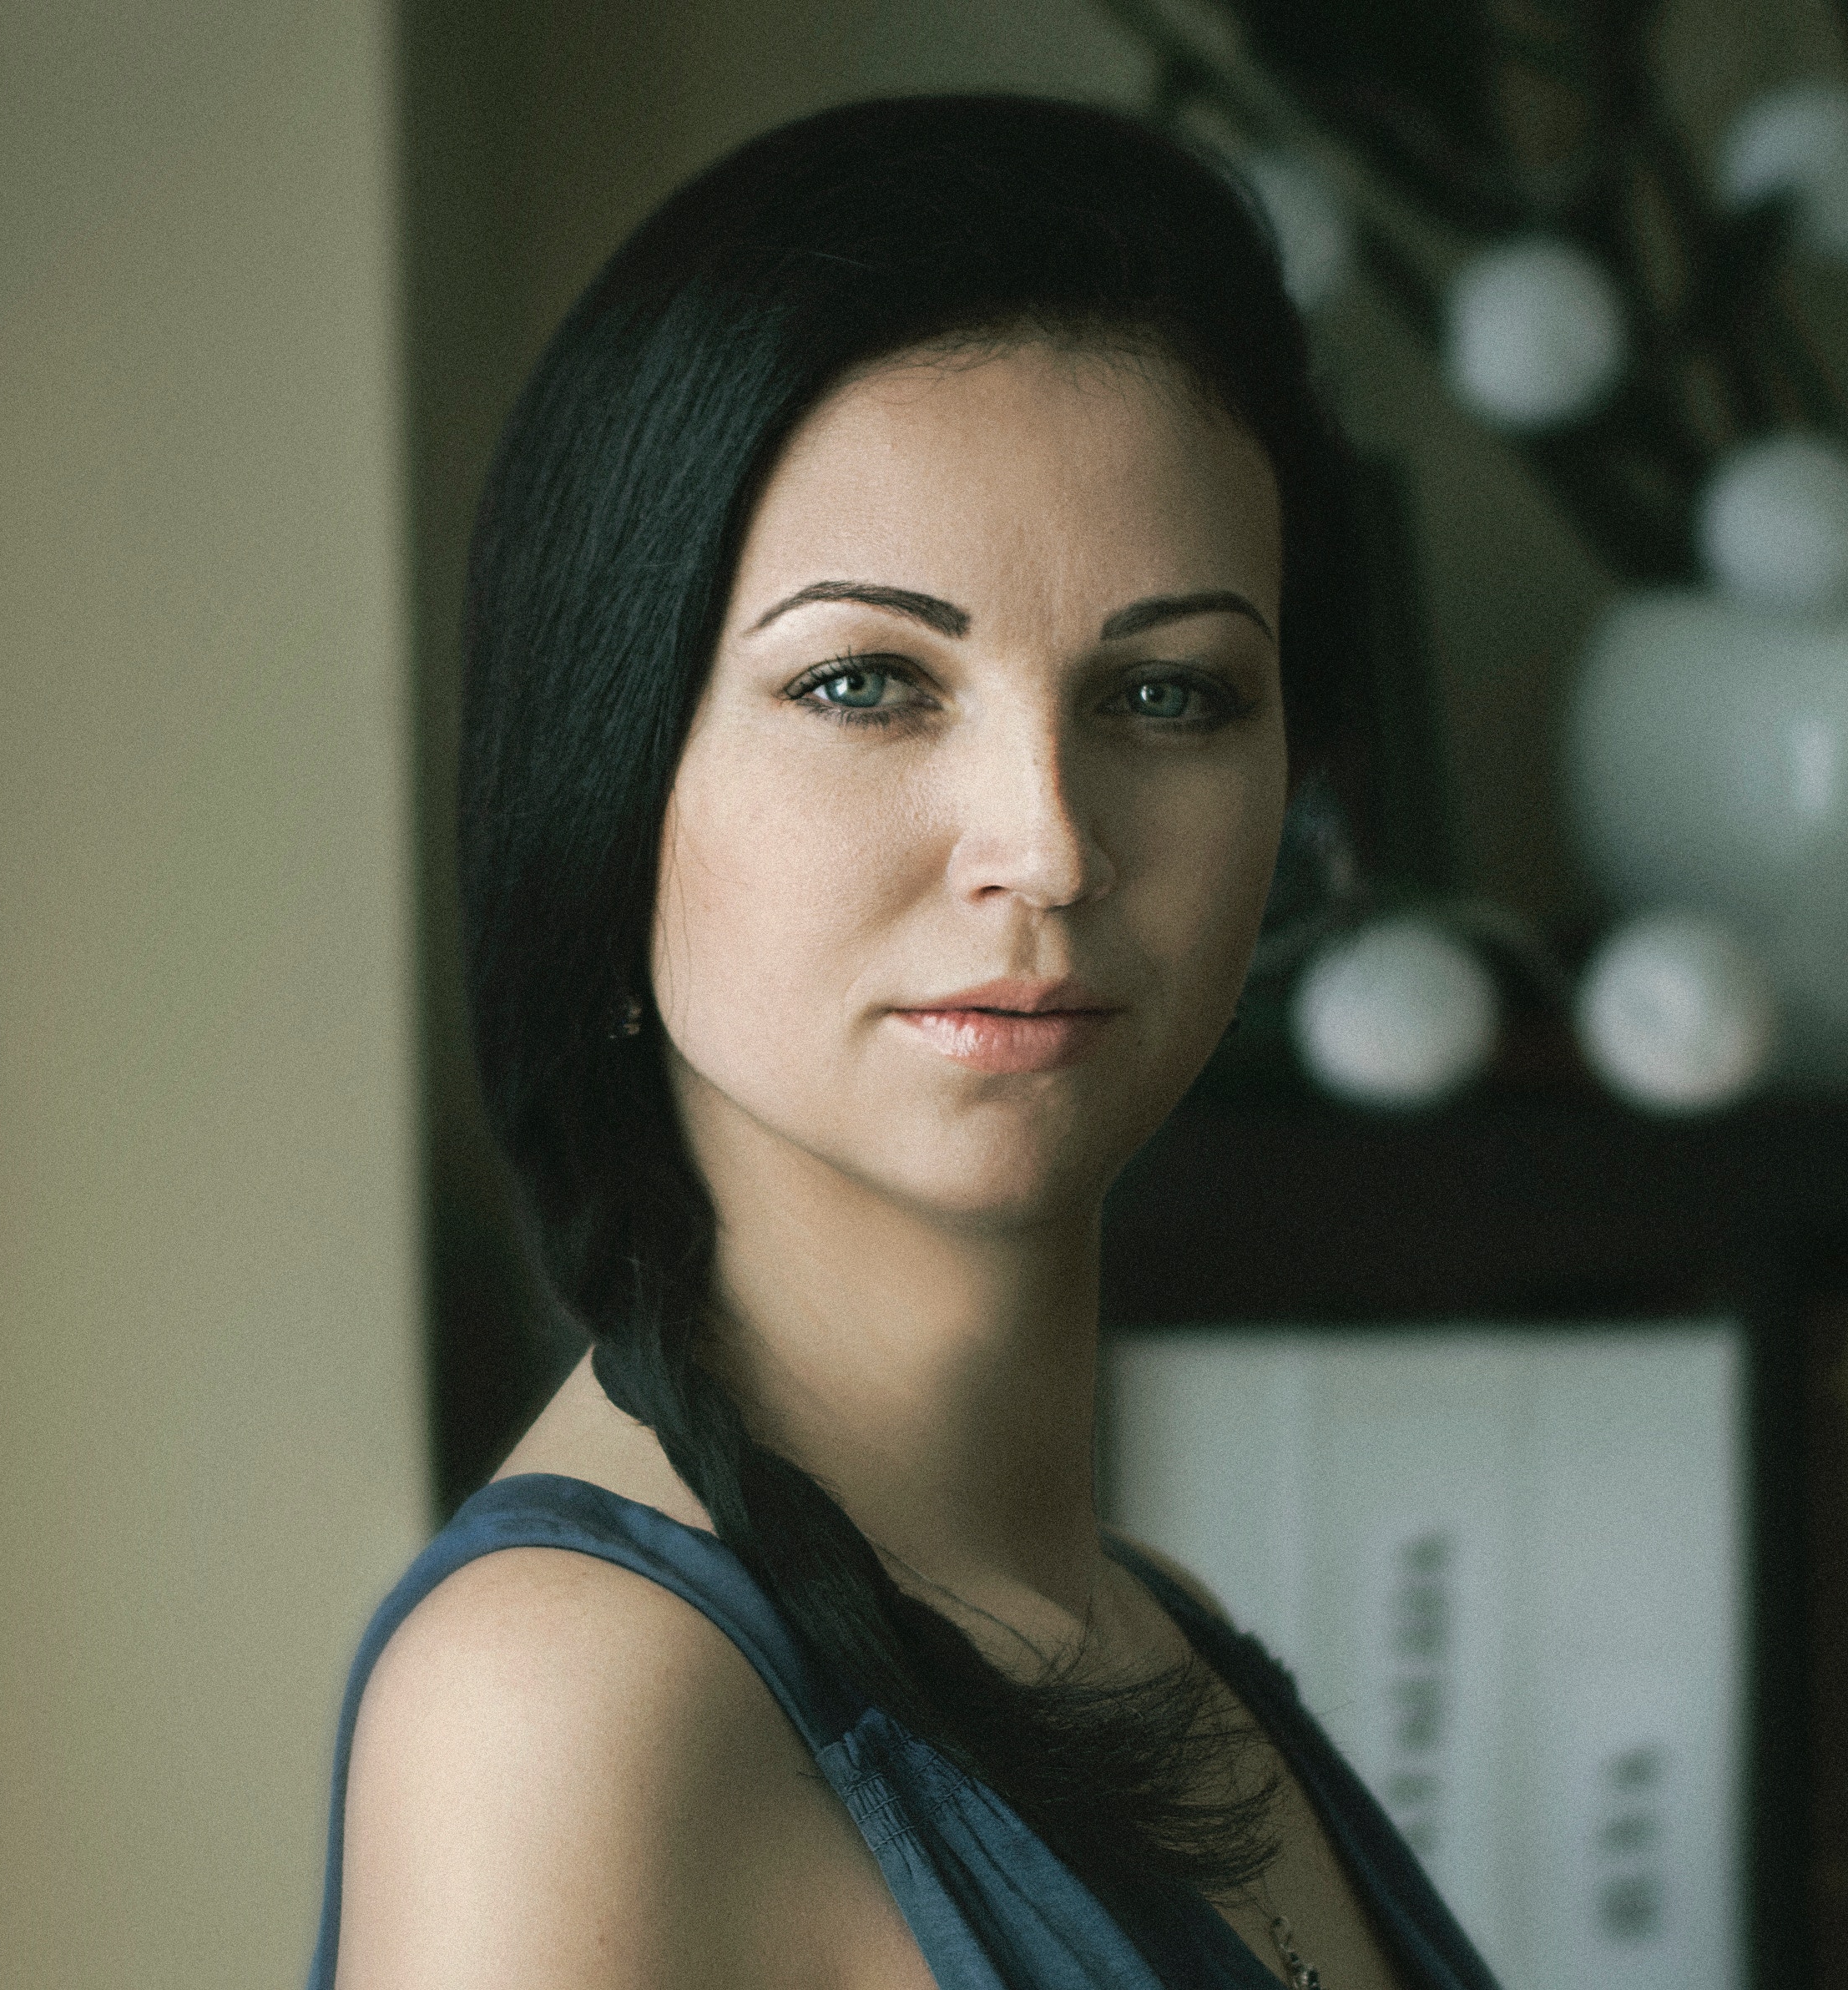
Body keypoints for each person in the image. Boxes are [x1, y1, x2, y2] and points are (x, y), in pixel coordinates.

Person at [311, 94, 1498, 1990]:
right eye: (865, 682)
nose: (1045, 842)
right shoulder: (565, 1707)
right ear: (607, 775)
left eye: (1169, 692)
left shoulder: (1147, 1637)